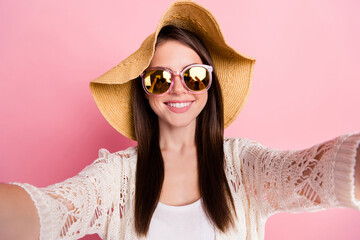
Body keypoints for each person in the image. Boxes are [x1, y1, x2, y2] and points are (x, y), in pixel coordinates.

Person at [1, 0, 359, 240]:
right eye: (159, 78)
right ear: (144, 90)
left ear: (210, 83)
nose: (178, 89)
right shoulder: (116, 178)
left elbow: (317, 173)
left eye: (194, 75)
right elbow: (50, 210)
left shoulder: (245, 166)